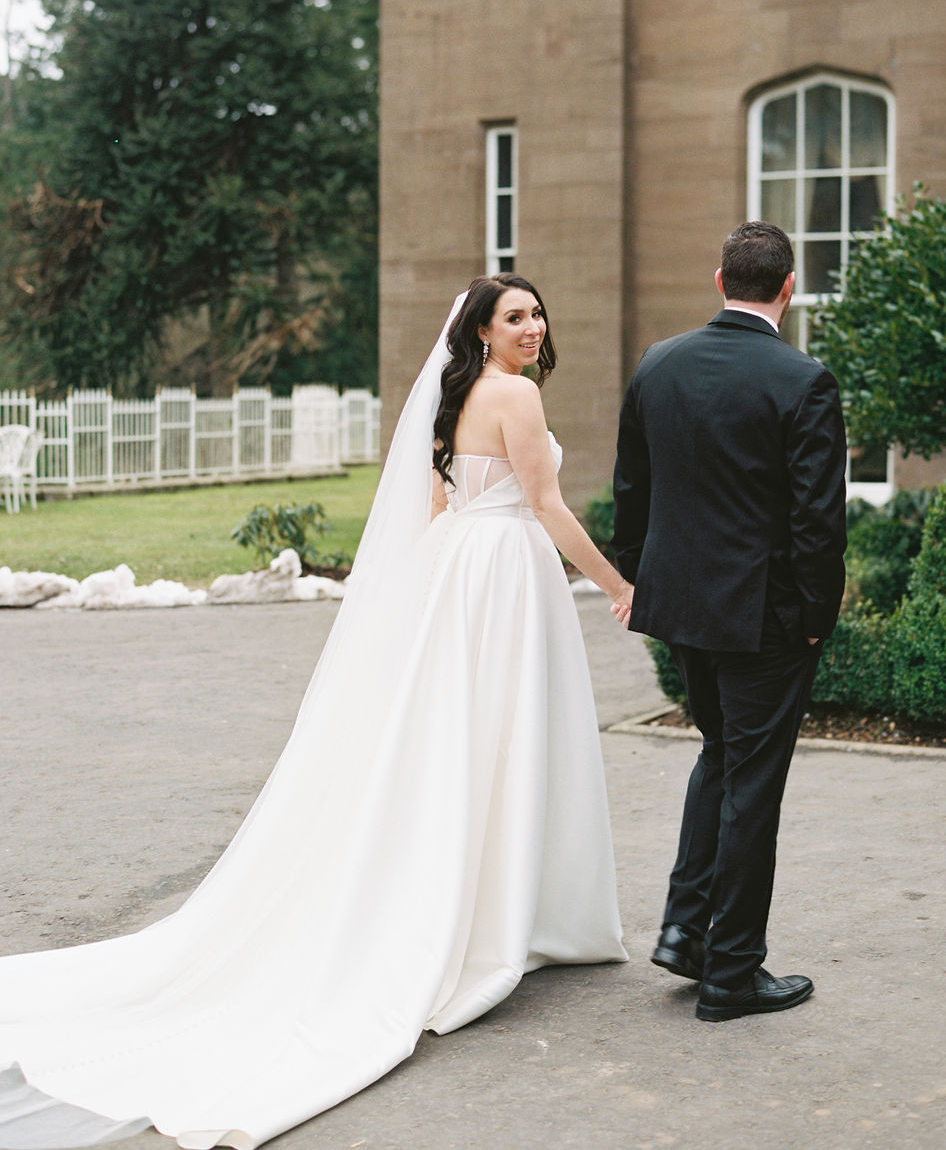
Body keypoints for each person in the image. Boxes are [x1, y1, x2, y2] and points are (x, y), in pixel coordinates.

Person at [0, 273, 632, 1149]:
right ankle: (504, 913)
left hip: (464, 573)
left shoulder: (457, 396)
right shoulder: (515, 393)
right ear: (482, 332)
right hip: (503, 575)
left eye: (536, 311)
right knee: (503, 743)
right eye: (514, 315)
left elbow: (443, 502)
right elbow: (546, 503)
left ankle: (504, 904)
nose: (533, 325)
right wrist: (617, 585)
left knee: (468, 743)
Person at [611, 221, 847, 1022]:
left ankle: (686, 932)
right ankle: (733, 973)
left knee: (719, 757)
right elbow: (820, 520)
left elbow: (632, 490)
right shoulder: (804, 379)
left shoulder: (657, 364)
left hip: (681, 607)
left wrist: (646, 584)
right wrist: (815, 618)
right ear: (789, 286)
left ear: (720, 281)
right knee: (752, 781)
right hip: (766, 620)